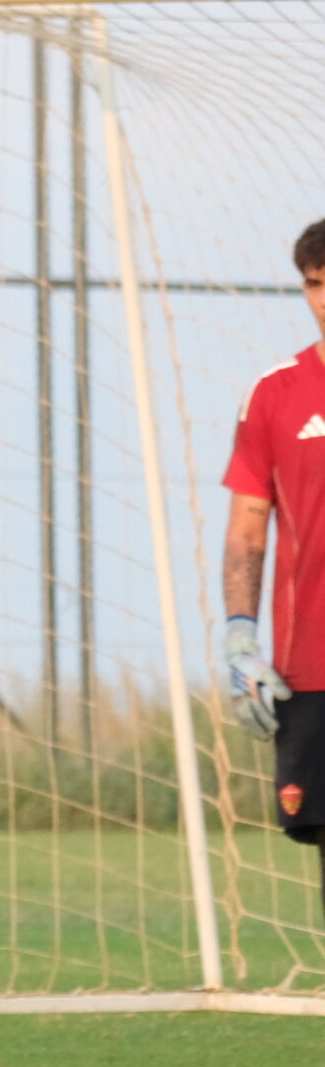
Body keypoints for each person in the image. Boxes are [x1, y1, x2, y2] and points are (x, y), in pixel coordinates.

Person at [221, 218, 325, 890]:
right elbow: (248, 529)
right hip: (310, 669)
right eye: (314, 284)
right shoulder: (274, 394)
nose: (324, 300)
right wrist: (240, 636)